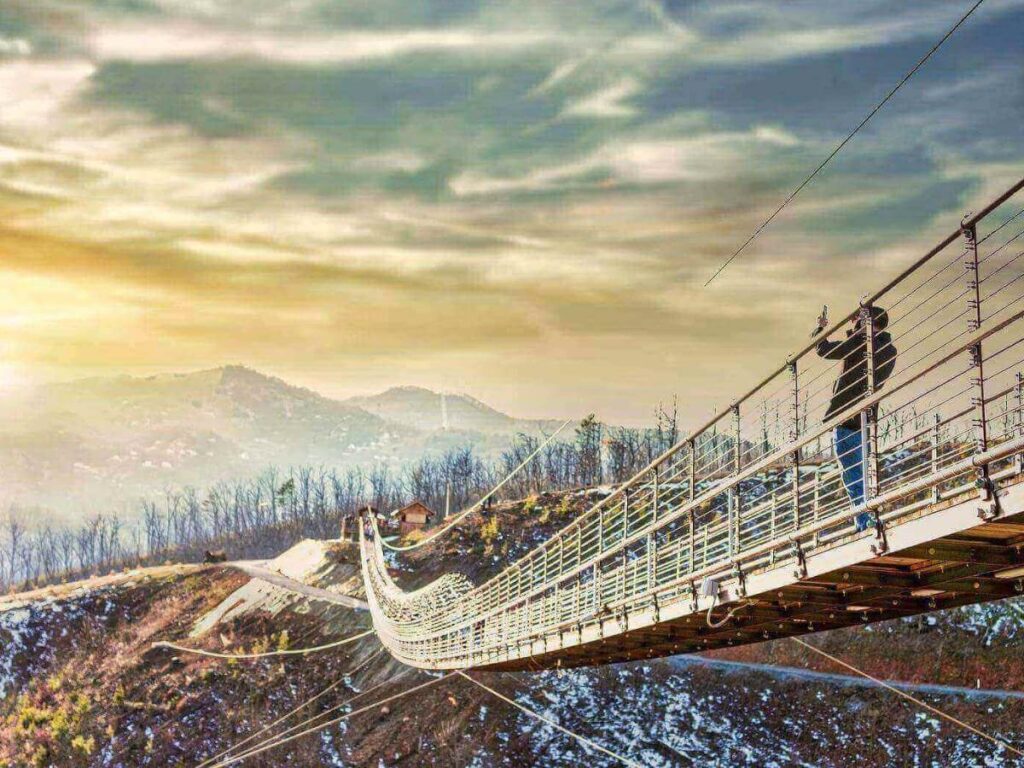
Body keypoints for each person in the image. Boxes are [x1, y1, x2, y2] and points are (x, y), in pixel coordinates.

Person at [814, 305, 896, 531]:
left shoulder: (861, 342)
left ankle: (864, 523)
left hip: (846, 420)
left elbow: (825, 350)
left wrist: (821, 329)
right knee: (862, 473)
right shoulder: (889, 349)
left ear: (867, 321)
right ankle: (869, 517)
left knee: (853, 476)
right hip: (865, 420)